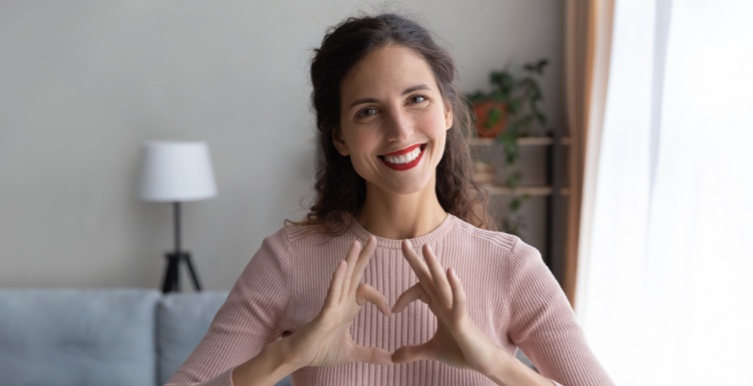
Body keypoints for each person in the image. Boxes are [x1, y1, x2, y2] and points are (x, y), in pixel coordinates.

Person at [166, 13, 613, 386]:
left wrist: (494, 362)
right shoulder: (289, 261)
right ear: (339, 137)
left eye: (416, 99)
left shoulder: (512, 266)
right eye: (368, 111)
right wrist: (288, 355)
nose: (400, 130)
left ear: (446, 112)